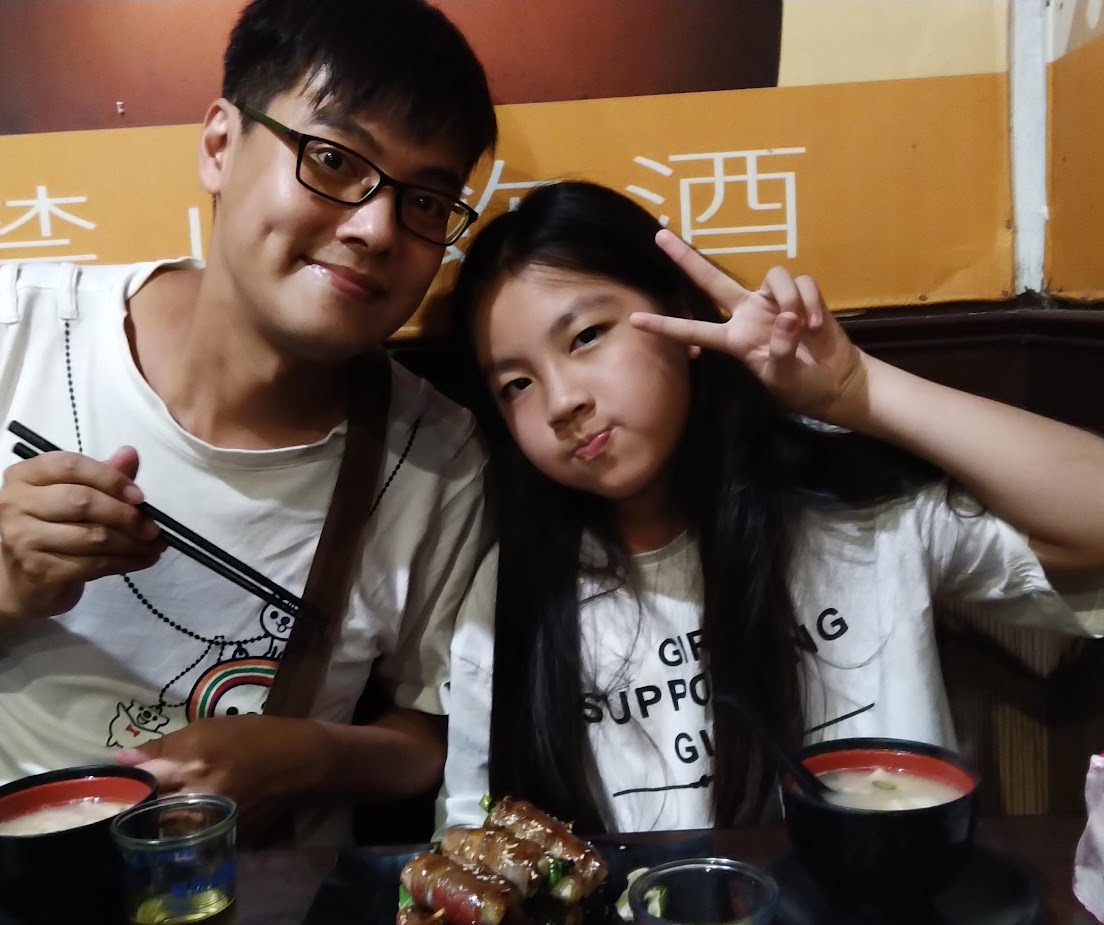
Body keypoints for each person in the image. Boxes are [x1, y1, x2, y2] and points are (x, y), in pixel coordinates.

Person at [0, 0, 497, 847]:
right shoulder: (24, 330)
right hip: (7, 879)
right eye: (333, 160)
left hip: (266, 894)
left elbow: (434, 734)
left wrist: (312, 755)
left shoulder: (439, 458)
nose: (376, 227)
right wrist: (5, 581)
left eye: (426, 201)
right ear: (220, 146)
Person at [438, 181, 1104, 836]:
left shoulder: (853, 510)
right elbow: (471, 835)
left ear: (683, 317)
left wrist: (859, 391)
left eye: (586, 336)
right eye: (516, 384)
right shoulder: (514, 592)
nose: (561, 402)